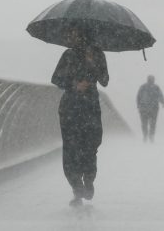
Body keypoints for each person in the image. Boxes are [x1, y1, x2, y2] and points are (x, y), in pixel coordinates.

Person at [51, 29, 108, 207]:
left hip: (90, 107)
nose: (70, 37)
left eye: (74, 34)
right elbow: (56, 78)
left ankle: (88, 180)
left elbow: (105, 80)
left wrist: (93, 64)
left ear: (84, 35)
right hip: (70, 108)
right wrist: (74, 84)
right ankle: (77, 189)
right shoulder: (68, 55)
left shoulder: (97, 54)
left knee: (91, 146)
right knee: (71, 150)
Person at [136, 75, 164, 143]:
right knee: (150, 123)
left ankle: (147, 135)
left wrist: (138, 105)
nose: (151, 81)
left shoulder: (144, 87)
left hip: (146, 108)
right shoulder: (154, 87)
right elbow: (160, 95)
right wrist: (163, 102)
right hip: (150, 108)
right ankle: (149, 135)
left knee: (146, 123)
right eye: (151, 79)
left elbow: (138, 96)